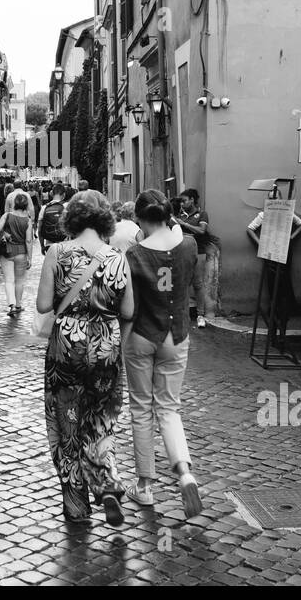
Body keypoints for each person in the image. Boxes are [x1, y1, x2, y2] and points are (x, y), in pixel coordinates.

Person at [36, 190, 134, 526]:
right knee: (101, 417)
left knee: (67, 425)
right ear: (105, 217)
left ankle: (76, 506)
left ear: (71, 218)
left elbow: (43, 305)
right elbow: (130, 310)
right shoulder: (117, 256)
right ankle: (107, 484)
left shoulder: (56, 252)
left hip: (66, 346)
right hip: (106, 345)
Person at [122, 189, 202, 518]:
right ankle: (184, 472)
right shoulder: (189, 246)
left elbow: (128, 307)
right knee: (169, 408)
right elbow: (190, 283)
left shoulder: (135, 255)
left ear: (140, 219)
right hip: (177, 334)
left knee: (142, 409)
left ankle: (144, 487)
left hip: (141, 334)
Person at [177, 188, 220, 328]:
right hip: (182, 252)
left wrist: (184, 225)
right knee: (183, 283)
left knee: (198, 284)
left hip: (199, 252)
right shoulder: (180, 214)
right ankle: (184, 314)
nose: (182, 204)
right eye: (181, 202)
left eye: (184, 201)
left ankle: (200, 314)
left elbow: (202, 230)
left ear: (192, 200)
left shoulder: (202, 214)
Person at [0, 192, 36, 315]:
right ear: (26, 205)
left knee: (8, 280)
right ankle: (18, 305)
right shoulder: (28, 221)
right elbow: (29, 240)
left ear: (14, 204)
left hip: (7, 251)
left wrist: (5, 233)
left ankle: (11, 304)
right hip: (21, 252)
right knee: (19, 281)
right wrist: (30, 257)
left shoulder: (7, 216)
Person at [37, 184, 68, 253]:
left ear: (51, 193)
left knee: (51, 263)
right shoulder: (67, 206)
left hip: (49, 244)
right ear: (64, 194)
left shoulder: (44, 208)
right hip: (64, 244)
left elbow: (39, 230)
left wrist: (42, 246)